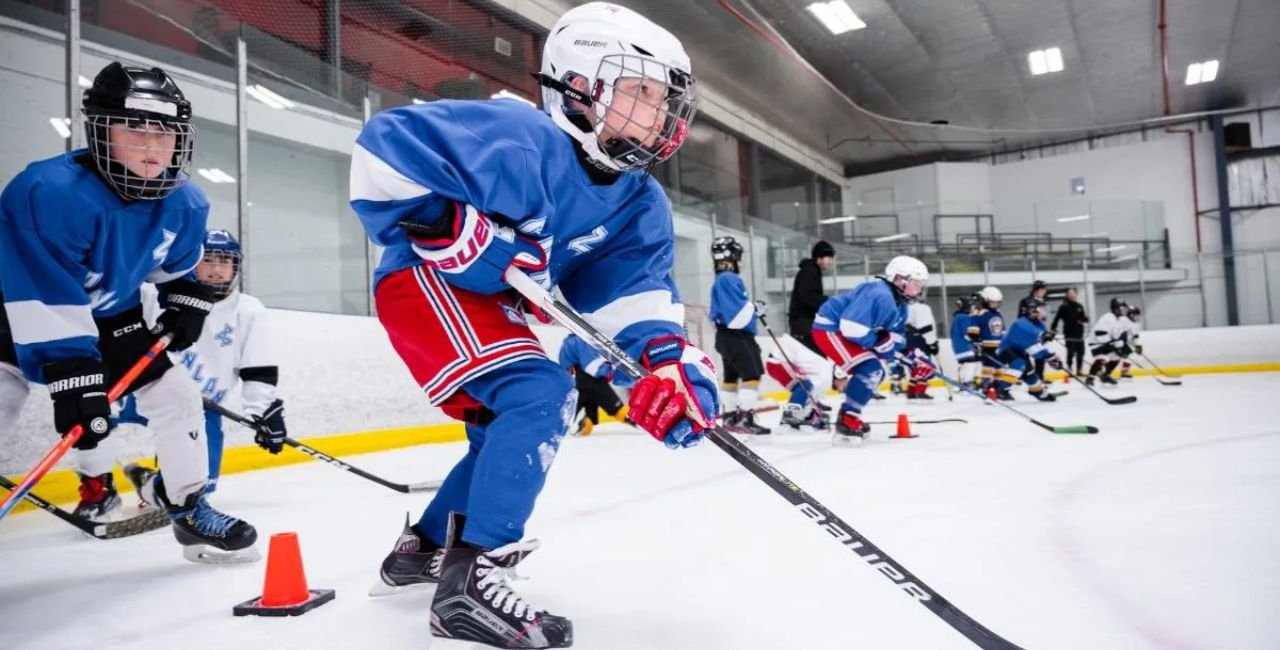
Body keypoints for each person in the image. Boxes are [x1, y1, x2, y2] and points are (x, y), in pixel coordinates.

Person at [349, 4, 710, 646]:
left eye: (663, 100)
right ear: (579, 85)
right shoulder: (517, 135)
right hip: (427, 285)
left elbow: (632, 298)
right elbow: (382, 154)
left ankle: (422, 549)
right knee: (541, 394)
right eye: (640, 91)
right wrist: (448, 227)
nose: (657, 113)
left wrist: (667, 367)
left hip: (495, 303)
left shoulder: (639, 200)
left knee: (508, 420)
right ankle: (470, 580)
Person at [0, 62, 257, 562]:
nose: (150, 145)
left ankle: (187, 507)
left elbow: (177, 270)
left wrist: (187, 300)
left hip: (112, 318)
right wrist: (76, 376)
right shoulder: (46, 193)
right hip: (13, 319)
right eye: (133, 128)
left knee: (179, 395)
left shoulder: (185, 203)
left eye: (164, 132)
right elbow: (41, 291)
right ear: (100, 131)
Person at [89, 230, 286, 507]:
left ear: (235, 266)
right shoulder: (154, 295)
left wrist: (262, 408)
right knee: (98, 425)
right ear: (192, 262)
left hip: (206, 409)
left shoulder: (248, 309)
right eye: (208, 260)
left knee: (195, 492)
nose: (217, 270)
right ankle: (99, 490)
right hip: (147, 391)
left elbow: (257, 366)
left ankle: (148, 485)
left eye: (224, 261)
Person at [811, 256, 927, 446]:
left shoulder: (901, 307)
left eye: (920, 285)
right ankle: (847, 420)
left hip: (847, 333)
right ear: (899, 279)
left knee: (876, 373)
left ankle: (850, 415)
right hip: (830, 328)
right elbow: (850, 327)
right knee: (870, 370)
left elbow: (894, 340)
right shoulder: (879, 293)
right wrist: (879, 341)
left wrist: (911, 357)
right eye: (915, 284)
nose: (918, 290)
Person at [709, 236, 769, 436]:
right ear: (732, 256)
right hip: (737, 336)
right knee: (752, 375)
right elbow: (736, 316)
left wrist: (752, 308)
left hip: (725, 337)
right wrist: (754, 308)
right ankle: (745, 418)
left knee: (731, 377)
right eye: (739, 256)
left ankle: (730, 417)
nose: (741, 261)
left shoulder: (720, 279)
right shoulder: (729, 278)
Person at [763, 332, 847, 431]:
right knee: (804, 385)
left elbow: (810, 395)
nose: (843, 389)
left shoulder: (827, 368)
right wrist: (815, 413)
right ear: (839, 374)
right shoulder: (827, 375)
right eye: (845, 383)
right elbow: (810, 393)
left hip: (777, 361)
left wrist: (814, 409)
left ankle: (796, 414)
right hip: (778, 362)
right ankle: (790, 414)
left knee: (804, 385)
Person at [557, 332, 627, 436]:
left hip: (577, 381)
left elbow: (565, 365)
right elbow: (591, 365)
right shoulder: (579, 339)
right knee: (616, 407)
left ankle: (580, 424)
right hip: (590, 379)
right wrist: (608, 371)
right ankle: (640, 421)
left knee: (586, 413)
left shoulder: (568, 342)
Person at [992, 298, 1061, 401]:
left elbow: (1038, 344)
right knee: (1019, 364)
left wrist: (1046, 340)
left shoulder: (1039, 324)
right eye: (1041, 309)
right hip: (1006, 350)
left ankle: (1038, 392)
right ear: (1032, 310)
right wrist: (1050, 357)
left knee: (1030, 374)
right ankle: (1001, 389)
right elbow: (1035, 350)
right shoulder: (1021, 324)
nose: (1043, 312)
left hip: (1020, 352)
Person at [788, 240, 835, 354]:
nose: (830, 261)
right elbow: (807, 296)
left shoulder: (812, 271)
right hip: (803, 323)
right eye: (828, 257)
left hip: (806, 322)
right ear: (818, 257)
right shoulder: (809, 272)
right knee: (814, 355)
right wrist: (829, 302)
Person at [1086, 298, 1133, 386]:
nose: (1123, 310)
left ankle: (1106, 375)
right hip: (1097, 343)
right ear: (1116, 308)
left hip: (1107, 343)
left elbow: (1116, 335)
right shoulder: (1108, 317)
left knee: (1116, 357)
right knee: (1103, 358)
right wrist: (1111, 343)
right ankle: (1090, 378)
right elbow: (1100, 332)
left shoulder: (1118, 319)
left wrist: (1121, 345)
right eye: (1122, 308)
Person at [971, 286, 1006, 393]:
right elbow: (973, 329)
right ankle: (985, 386)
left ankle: (998, 386)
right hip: (987, 346)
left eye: (997, 303)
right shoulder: (980, 313)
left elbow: (1002, 329)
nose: (995, 305)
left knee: (1000, 367)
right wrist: (976, 342)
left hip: (999, 346)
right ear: (986, 301)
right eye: (993, 302)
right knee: (989, 368)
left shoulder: (999, 313)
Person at [902, 300, 938, 400]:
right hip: (919, 340)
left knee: (914, 365)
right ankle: (920, 391)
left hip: (907, 339)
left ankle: (911, 391)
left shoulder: (904, 307)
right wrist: (933, 343)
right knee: (925, 365)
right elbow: (926, 328)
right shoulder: (922, 308)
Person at [1050, 287, 1089, 375]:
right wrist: (1053, 330)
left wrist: (1084, 320)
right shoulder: (1063, 307)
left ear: (1076, 294)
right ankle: (1070, 369)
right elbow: (1056, 319)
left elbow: (1083, 318)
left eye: (1073, 293)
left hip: (1079, 333)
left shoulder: (1079, 306)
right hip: (1069, 333)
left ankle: (1079, 370)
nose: (1071, 295)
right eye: (1069, 293)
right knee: (1070, 352)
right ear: (1067, 295)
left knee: (1081, 352)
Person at [1018, 280, 1050, 383]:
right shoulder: (1027, 301)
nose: (1044, 291)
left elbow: (1042, 319)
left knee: (1040, 354)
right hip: (1027, 331)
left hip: (1038, 331)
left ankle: (1039, 376)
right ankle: (1023, 375)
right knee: (1025, 355)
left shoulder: (1042, 302)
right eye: (1043, 289)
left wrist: (1045, 331)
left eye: (1044, 289)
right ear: (1037, 289)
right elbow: (1022, 317)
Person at [949, 295, 982, 387]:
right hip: (965, 347)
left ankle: (963, 382)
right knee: (970, 363)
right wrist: (976, 340)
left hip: (958, 347)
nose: (973, 308)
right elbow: (967, 333)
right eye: (972, 305)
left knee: (965, 364)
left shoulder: (958, 317)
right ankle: (967, 383)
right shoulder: (964, 317)